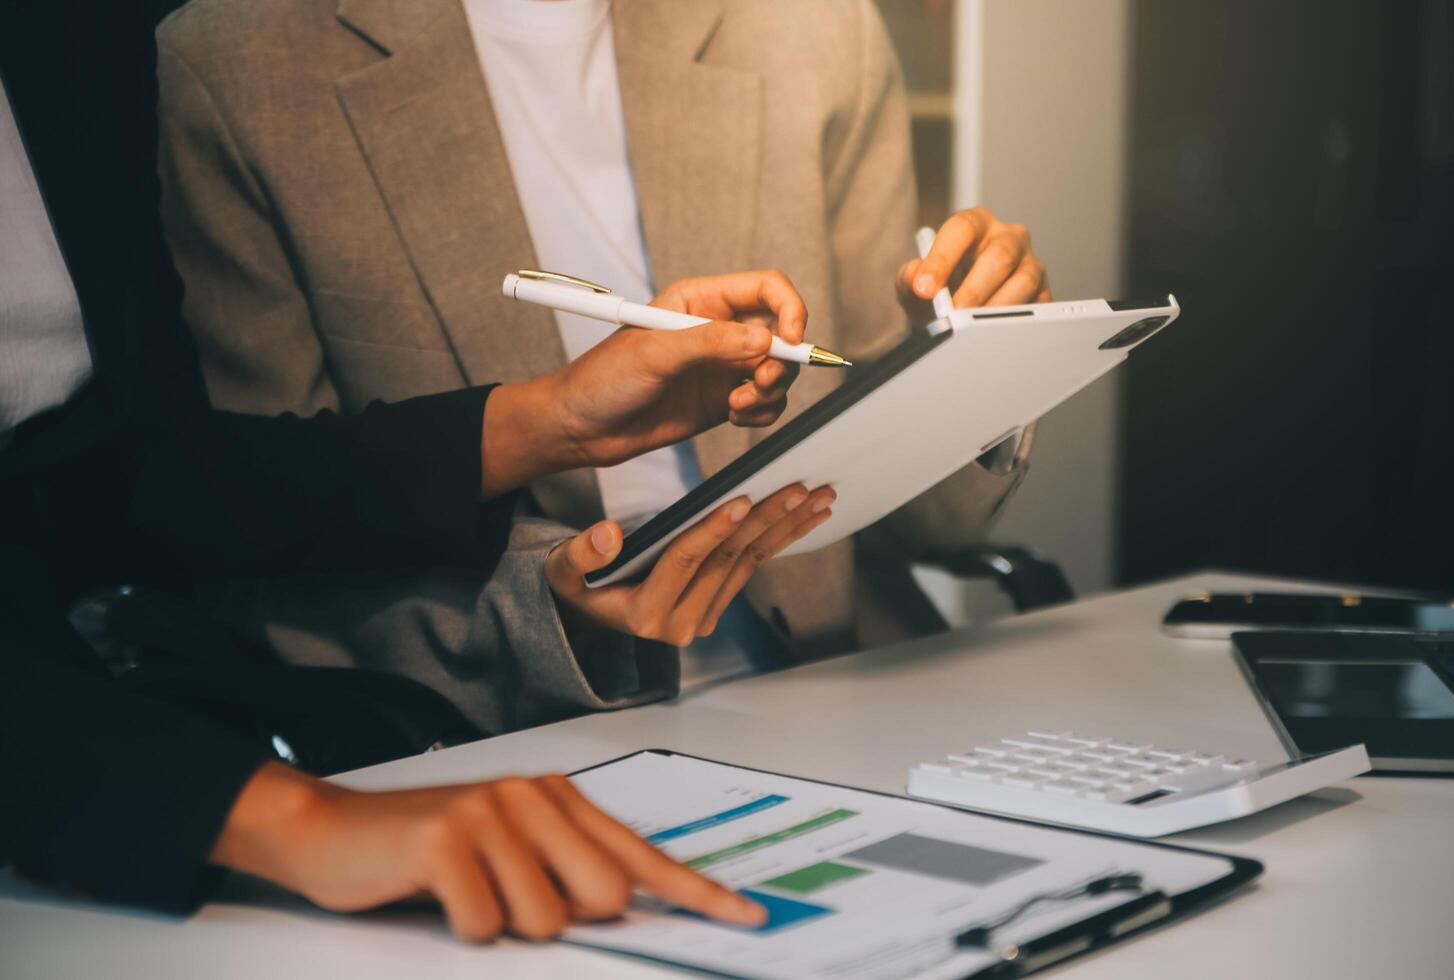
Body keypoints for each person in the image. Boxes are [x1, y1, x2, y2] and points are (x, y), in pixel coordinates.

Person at [0, 0, 845, 938]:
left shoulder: (71, 37)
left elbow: (155, 479)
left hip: (807, 707)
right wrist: (281, 815)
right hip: (146, 787)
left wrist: (556, 418)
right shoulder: (225, 55)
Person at [154, 0, 1054, 719]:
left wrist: (974, 365)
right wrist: (545, 613)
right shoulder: (235, 65)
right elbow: (262, 543)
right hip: (489, 738)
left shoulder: (817, 27)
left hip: (835, 687)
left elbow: (927, 525)